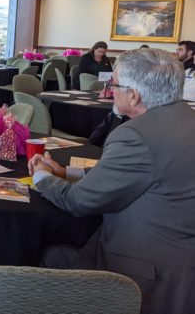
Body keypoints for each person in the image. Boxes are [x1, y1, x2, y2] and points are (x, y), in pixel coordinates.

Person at [28, 48, 195, 314]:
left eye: (114, 83)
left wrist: (41, 176)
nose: (110, 89)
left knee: (47, 257)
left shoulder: (135, 135)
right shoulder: (185, 119)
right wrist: (68, 173)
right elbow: (143, 174)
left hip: (145, 272)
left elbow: (78, 202)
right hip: (181, 262)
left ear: (133, 95)